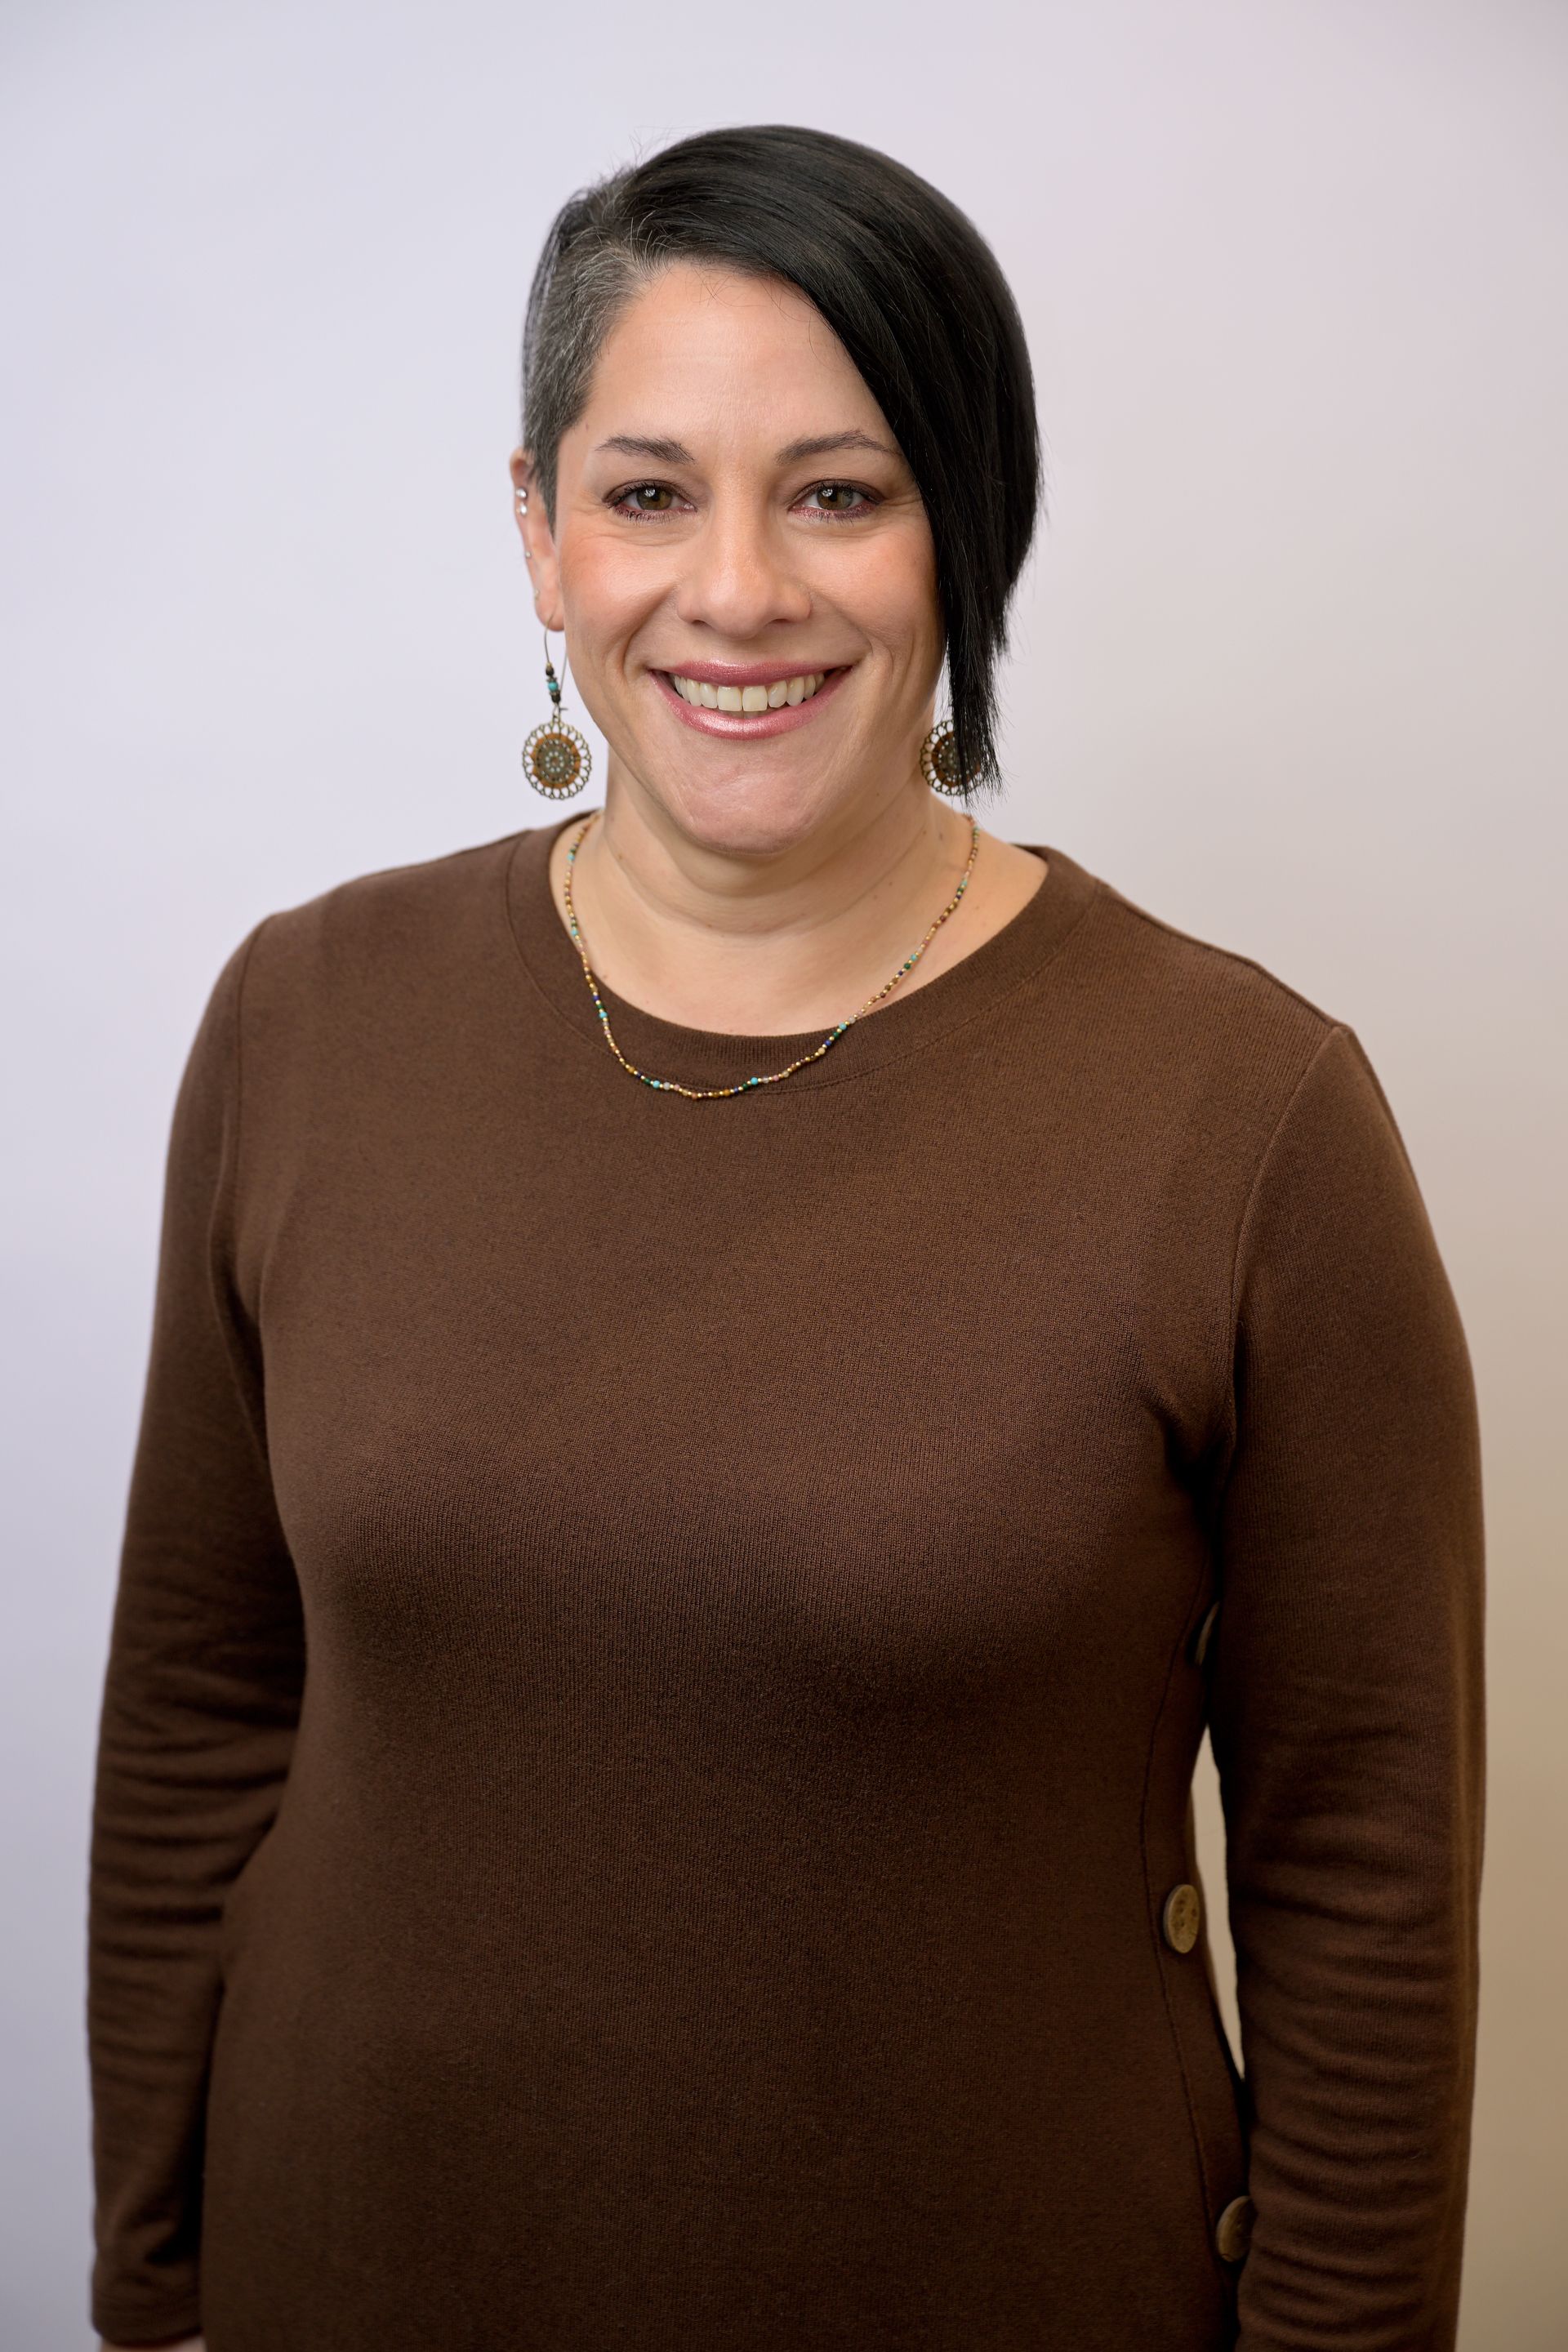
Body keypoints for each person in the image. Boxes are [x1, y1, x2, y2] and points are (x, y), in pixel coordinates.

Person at [89, 124, 1485, 2352]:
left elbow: (1365, 1880)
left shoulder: (1249, 1115)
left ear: (966, 538)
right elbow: (199, 1713)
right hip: (342, 2274)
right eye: (648, 492)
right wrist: (154, 2285)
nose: (737, 589)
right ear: (538, 536)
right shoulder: (304, 1017)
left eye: (839, 490)